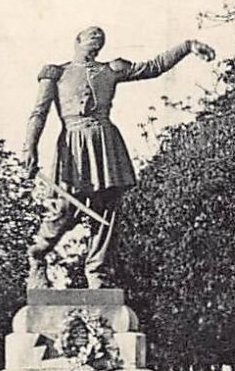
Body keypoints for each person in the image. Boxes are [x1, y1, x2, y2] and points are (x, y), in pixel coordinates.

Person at [22, 25, 216, 289]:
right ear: (77, 40)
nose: (96, 40)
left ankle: (97, 272)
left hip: (106, 145)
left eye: (100, 38)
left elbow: (154, 66)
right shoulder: (57, 73)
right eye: (91, 35)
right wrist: (29, 148)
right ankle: (37, 256)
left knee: (107, 210)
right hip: (73, 145)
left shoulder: (110, 70)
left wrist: (187, 46)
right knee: (63, 211)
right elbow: (38, 114)